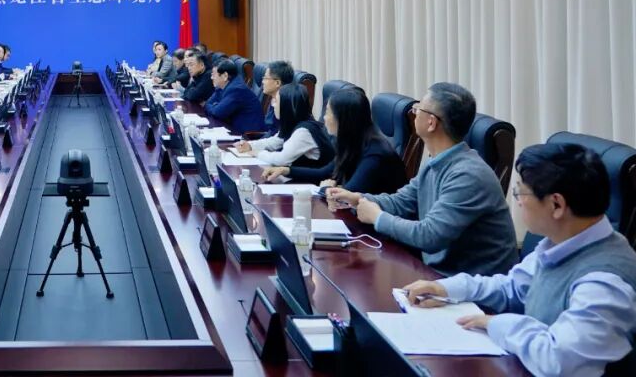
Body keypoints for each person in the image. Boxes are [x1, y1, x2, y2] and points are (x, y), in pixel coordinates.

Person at [403, 143, 636, 377]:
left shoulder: (604, 283)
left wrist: (496, 323)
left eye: (521, 193)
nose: (519, 201)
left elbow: (557, 361)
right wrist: (446, 288)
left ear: (556, 204)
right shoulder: (562, 242)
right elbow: (513, 287)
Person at [328, 82, 517, 276]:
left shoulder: (468, 175)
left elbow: (429, 235)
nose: (415, 113)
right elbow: (402, 201)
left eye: (419, 108)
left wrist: (377, 217)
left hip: (471, 283)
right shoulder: (436, 161)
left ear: (431, 122)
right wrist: (357, 199)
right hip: (440, 275)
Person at [261, 87, 403, 194]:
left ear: (343, 118)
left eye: (328, 112)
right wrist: (286, 170)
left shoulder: (375, 153)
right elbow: (325, 172)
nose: (324, 118)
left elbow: (349, 195)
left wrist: (326, 189)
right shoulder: (352, 141)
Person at [236, 83, 335, 172]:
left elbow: (282, 159)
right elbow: (275, 141)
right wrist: (250, 145)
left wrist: (257, 153)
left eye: (276, 101)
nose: (273, 105)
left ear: (286, 106)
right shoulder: (293, 124)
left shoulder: (304, 131)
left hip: (313, 182)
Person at [204, 59, 265, 135]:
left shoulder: (236, 89)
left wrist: (214, 106)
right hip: (235, 129)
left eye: (213, 75)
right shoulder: (223, 86)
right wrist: (215, 106)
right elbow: (207, 104)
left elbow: (217, 113)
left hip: (248, 135)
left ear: (225, 76)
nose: (211, 78)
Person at [258, 61, 294, 134]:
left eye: (265, 78)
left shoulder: (286, 107)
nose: (262, 82)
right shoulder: (273, 99)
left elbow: (278, 136)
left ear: (277, 83)